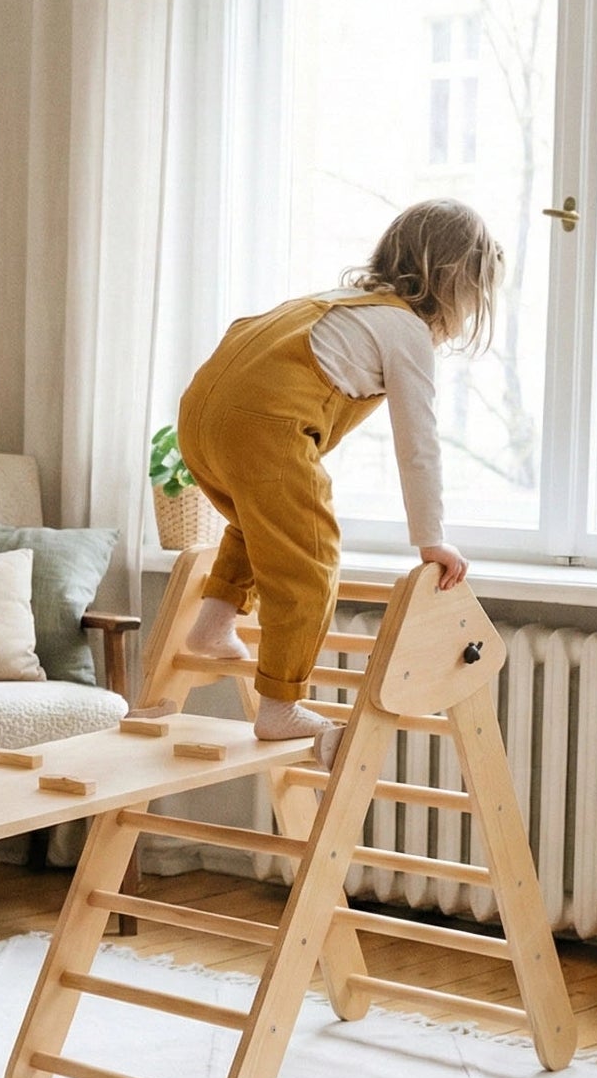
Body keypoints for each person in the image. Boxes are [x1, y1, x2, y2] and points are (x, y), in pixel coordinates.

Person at [170, 199, 495, 759]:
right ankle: (279, 708)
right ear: (455, 283)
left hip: (199, 418)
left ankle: (213, 622)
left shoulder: (333, 303)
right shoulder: (405, 330)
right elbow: (418, 443)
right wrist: (431, 538)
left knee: (262, 522)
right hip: (260, 425)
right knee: (309, 560)